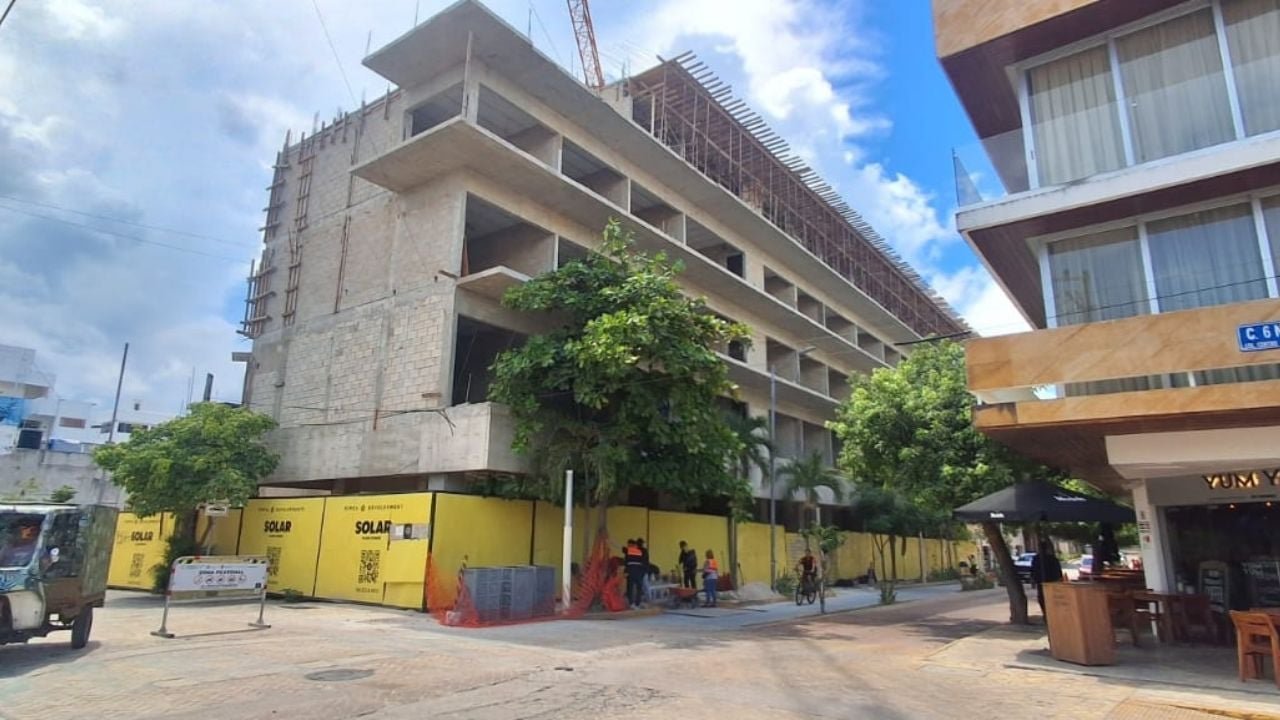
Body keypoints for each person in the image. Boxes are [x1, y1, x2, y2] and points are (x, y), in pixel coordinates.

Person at [1030, 541, 1063, 620]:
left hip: (1046, 582)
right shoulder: (1039, 558)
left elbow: (1033, 570)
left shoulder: (1039, 558)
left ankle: (1048, 614)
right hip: (1047, 582)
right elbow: (1033, 570)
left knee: (1045, 599)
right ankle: (1047, 614)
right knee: (1044, 599)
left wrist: (1033, 580)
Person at [624, 539, 646, 609]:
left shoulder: (628, 550)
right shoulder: (640, 551)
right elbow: (643, 561)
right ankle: (638, 603)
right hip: (638, 571)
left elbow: (626, 562)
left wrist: (626, 571)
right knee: (639, 587)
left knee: (630, 587)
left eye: (629, 545)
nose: (628, 546)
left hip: (631, 571)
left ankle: (631, 604)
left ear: (631, 545)